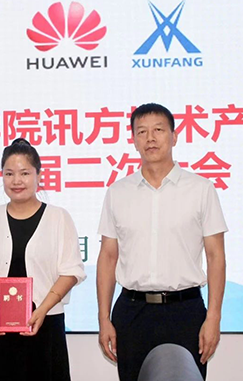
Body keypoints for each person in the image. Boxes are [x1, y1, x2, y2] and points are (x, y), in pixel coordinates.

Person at [96, 103, 228, 381]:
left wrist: (214, 317)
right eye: (142, 132)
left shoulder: (201, 189)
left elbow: (216, 256)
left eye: (158, 130)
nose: (150, 138)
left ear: (174, 136)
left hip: (185, 311)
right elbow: (108, 257)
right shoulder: (118, 192)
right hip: (132, 312)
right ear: (134, 140)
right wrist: (103, 318)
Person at [0, 138, 86, 381]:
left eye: (24, 173)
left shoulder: (58, 218)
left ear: (39, 175)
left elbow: (71, 271)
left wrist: (43, 309)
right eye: (9, 174)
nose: (16, 180)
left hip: (45, 323)